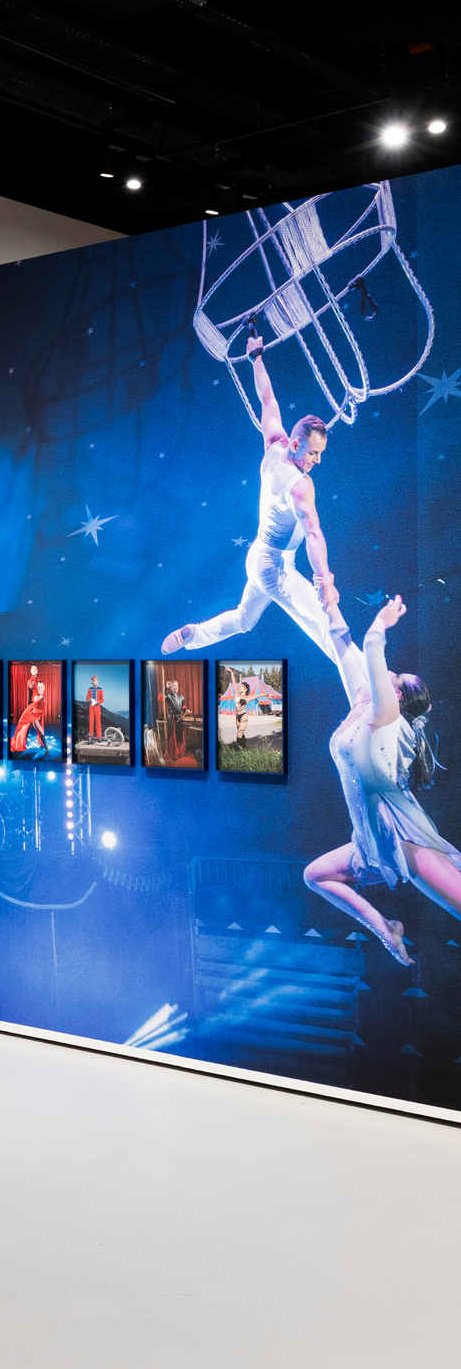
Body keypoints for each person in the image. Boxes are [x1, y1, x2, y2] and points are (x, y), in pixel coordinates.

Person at [163, 333, 345, 677]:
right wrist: (324, 581)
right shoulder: (300, 486)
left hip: (259, 557)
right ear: (296, 444)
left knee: (245, 620)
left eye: (321, 453)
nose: (317, 461)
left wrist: (256, 357)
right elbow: (313, 533)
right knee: (326, 621)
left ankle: (194, 635)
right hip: (275, 567)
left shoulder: (274, 446)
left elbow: (267, 398)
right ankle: (369, 689)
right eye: (313, 453)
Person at [304, 593, 461, 966]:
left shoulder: (386, 715)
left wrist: (384, 620)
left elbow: (372, 646)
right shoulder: (362, 708)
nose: (389, 672)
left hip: (403, 837)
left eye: (395, 676)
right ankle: (386, 928)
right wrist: (329, 598)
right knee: (316, 875)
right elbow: (341, 642)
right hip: (368, 839)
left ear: (396, 694)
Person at [10, 680, 47, 757]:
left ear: (44, 688)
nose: (40, 689)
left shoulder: (43, 696)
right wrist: (38, 696)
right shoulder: (37, 697)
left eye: (41, 687)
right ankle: (47, 749)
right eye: (39, 688)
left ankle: (42, 744)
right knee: (41, 731)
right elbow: (34, 704)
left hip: (38, 716)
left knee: (39, 731)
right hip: (33, 716)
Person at [86, 673, 103, 742]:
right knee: (91, 722)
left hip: (97, 707)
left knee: (98, 722)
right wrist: (91, 701)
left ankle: (99, 736)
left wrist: (97, 702)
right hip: (91, 707)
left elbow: (102, 699)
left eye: (97, 681)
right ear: (92, 682)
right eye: (94, 681)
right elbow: (87, 698)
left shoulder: (100, 689)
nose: (96, 682)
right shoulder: (90, 689)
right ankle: (90, 736)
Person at [234, 681, 251, 749]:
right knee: (241, 732)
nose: (240, 687)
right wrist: (231, 674)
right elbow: (234, 684)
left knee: (239, 734)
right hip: (237, 716)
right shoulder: (237, 694)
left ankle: (238, 750)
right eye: (240, 686)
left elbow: (257, 696)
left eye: (242, 686)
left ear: (246, 689)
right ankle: (244, 747)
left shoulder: (247, 697)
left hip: (243, 716)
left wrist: (267, 694)